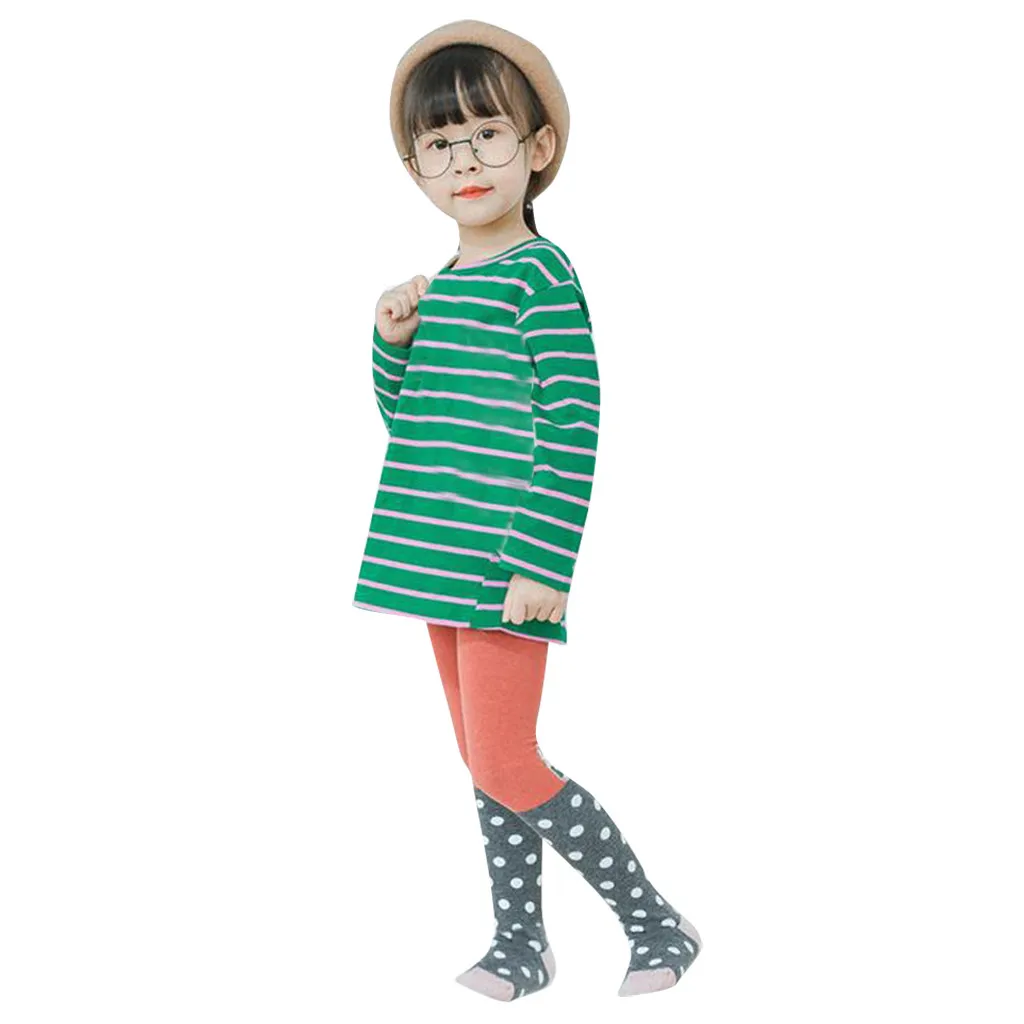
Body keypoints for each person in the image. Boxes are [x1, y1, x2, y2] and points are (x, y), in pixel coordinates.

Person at [352, 19, 702, 1001]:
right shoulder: (443, 285)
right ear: (413, 166)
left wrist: (544, 561)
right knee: (484, 759)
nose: (463, 160)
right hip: (434, 557)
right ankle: (521, 943)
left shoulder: (540, 278)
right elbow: (414, 425)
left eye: (486, 135)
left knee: (508, 758)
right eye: (439, 144)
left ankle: (653, 917)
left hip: (502, 564)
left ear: (537, 147)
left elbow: (575, 420)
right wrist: (391, 343)